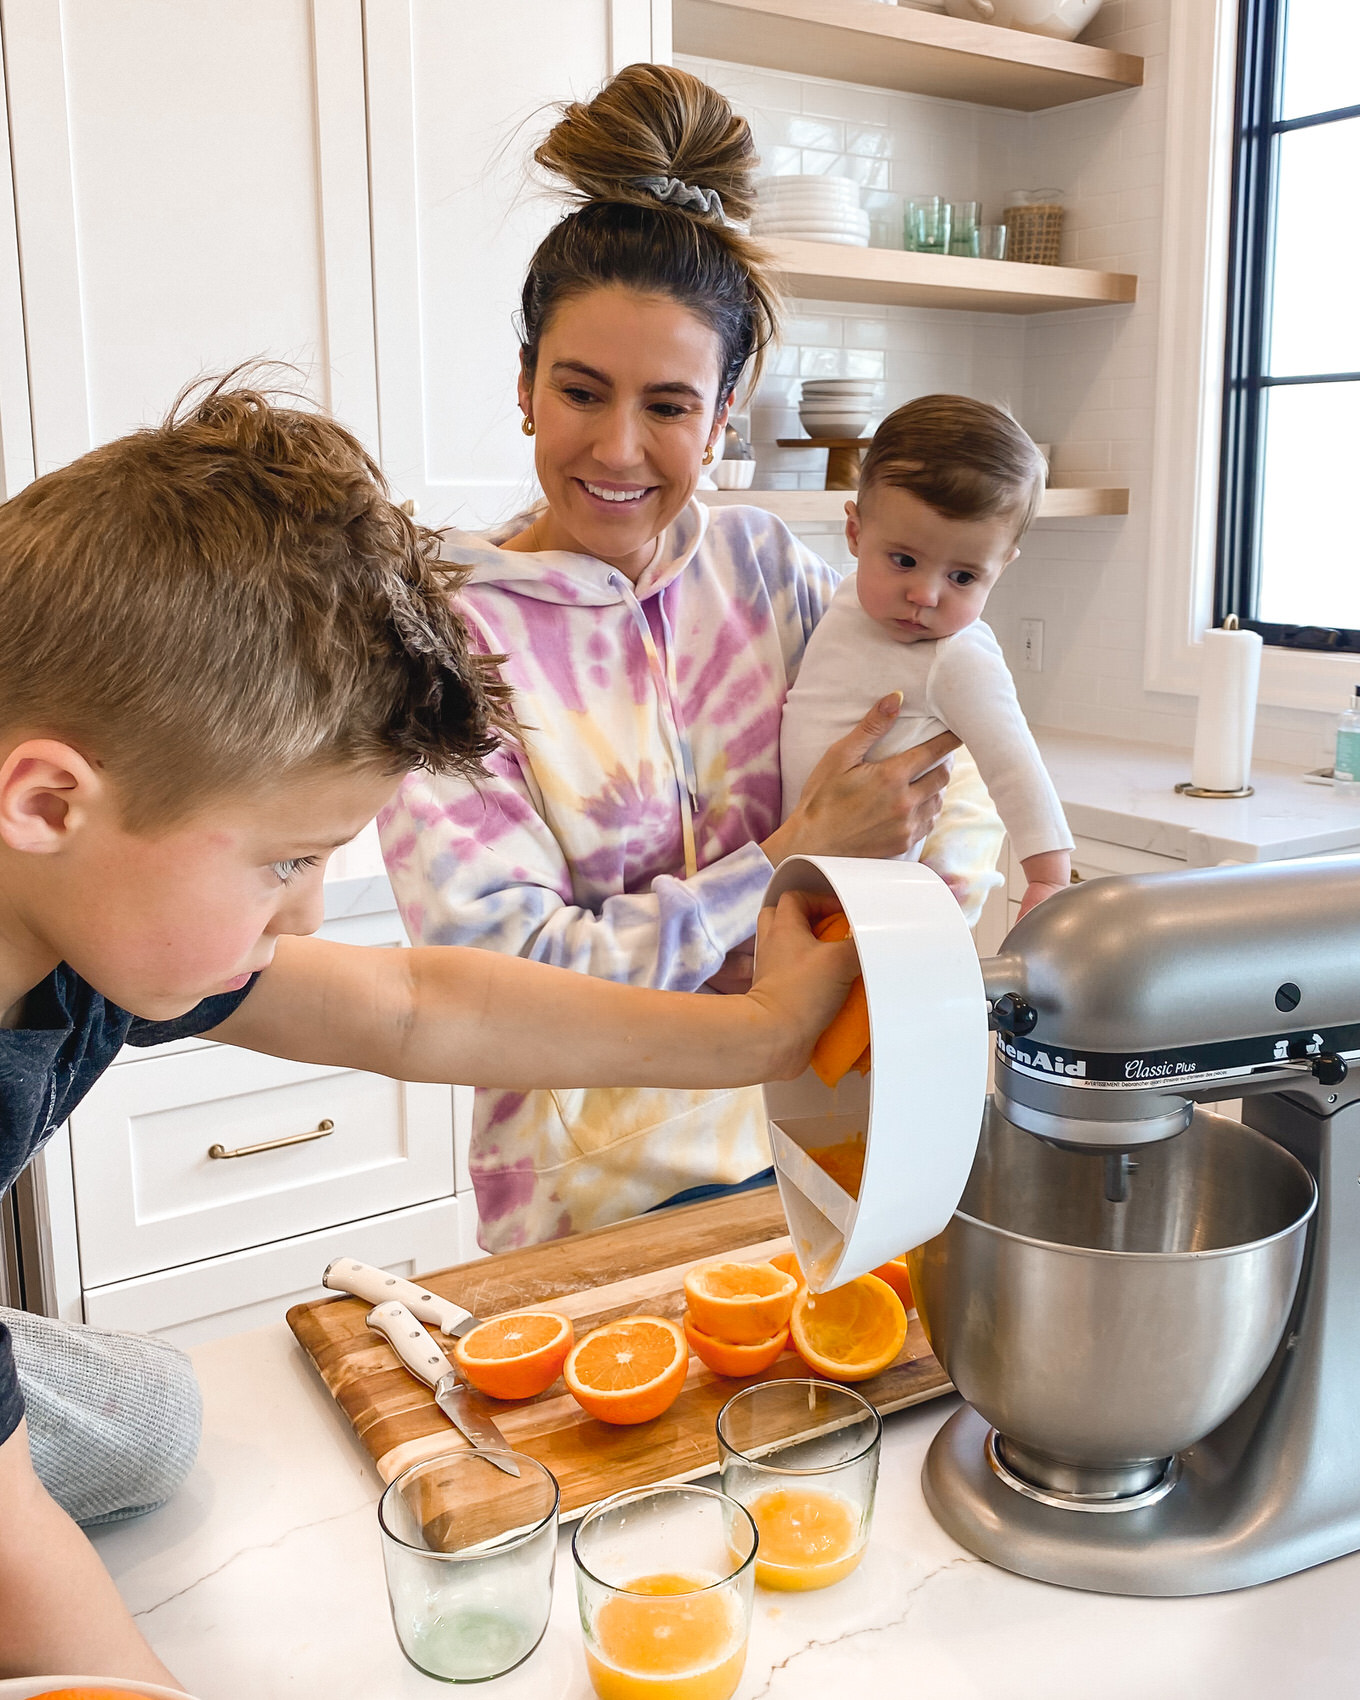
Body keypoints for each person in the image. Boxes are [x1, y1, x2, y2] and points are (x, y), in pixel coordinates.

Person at [0, 375, 855, 1682]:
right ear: (48, 801)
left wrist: (762, 1033)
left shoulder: (83, 917)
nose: (297, 921)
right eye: (286, 862)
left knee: (151, 1419)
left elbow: (417, 1000)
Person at [378, 63, 1006, 1254]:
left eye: (668, 405)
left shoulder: (769, 571)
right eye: (579, 390)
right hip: (590, 1199)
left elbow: (946, 779)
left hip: (833, 1133)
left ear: (726, 411)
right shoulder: (444, 641)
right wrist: (784, 863)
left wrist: (885, 958)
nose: (619, 448)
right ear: (523, 389)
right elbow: (499, 978)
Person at [780, 396, 1073, 920]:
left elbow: (1015, 765)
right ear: (854, 532)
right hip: (799, 872)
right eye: (904, 560)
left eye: (963, 577)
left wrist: (1049, 877)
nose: (925, 595)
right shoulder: (849, 598)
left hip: (870, 905)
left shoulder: (957, 656)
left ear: (1002, 566)